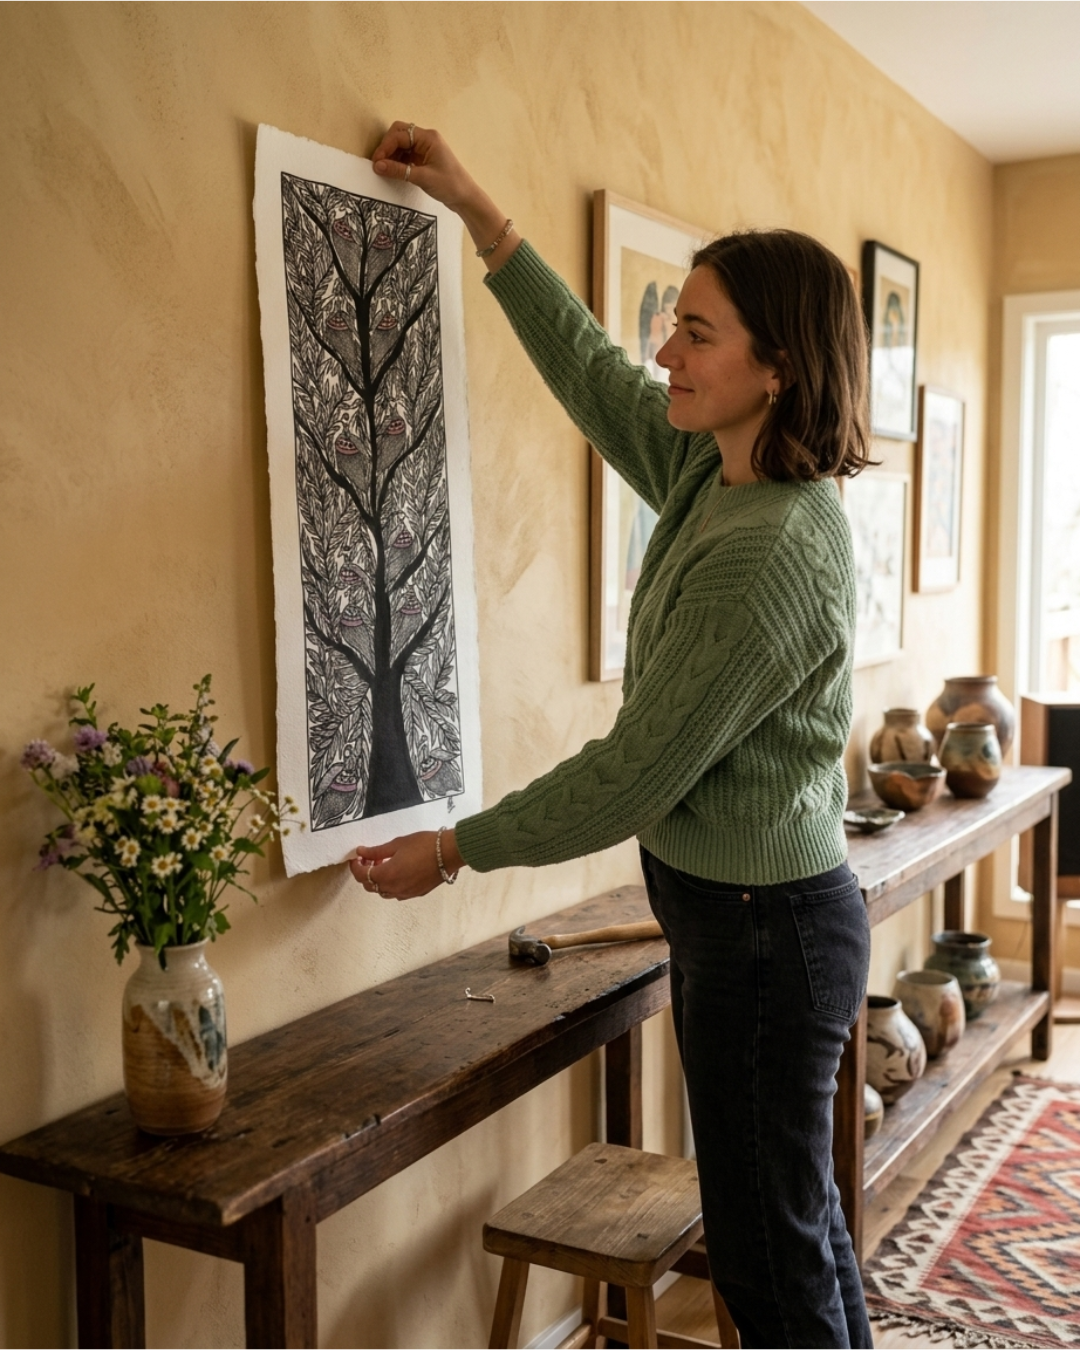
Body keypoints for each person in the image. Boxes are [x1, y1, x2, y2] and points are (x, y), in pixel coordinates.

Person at [352, 121, 874, 1349]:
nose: (667, 352)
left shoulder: (776, 547)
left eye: (697, 333)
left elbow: (635, 772)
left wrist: (456, 849)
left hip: (766, 944)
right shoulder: (717, 470)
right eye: (676, 324)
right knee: (796, 1227)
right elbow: (593, 372)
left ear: (779, 365)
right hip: (743, 927)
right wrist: (483, 214)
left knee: (766, 1256)